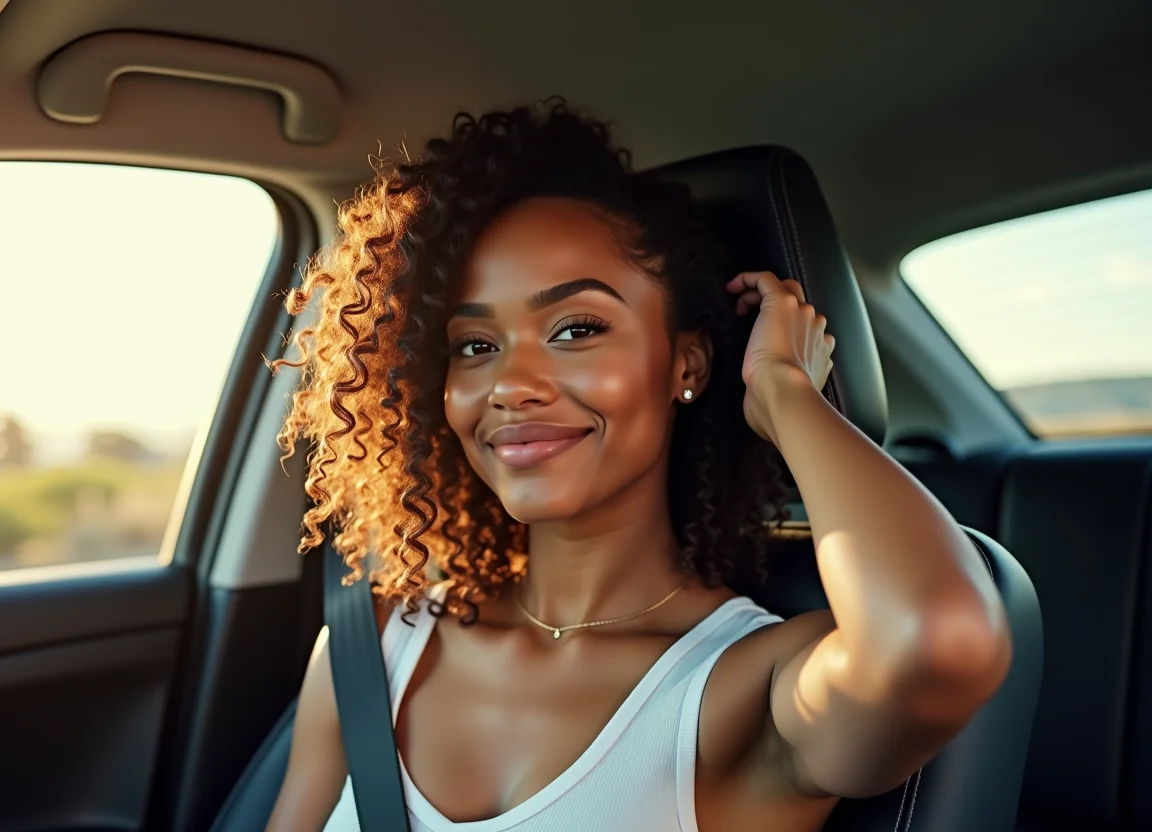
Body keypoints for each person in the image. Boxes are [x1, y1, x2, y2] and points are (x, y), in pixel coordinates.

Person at [264, 100, 1011, 832]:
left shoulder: (738, 688)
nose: (510, 384)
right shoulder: (380, 638)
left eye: (576, 328)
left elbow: (936, 638)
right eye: (475, 346)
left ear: (686, 362)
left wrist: (783, 393)